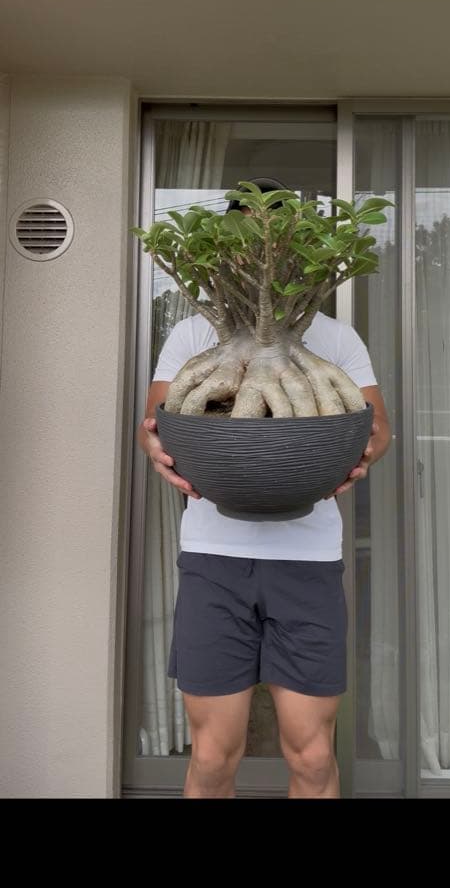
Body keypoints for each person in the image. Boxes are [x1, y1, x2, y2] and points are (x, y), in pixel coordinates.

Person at [137, 178, 392, 798]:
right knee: (212, 756)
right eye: (248, 231)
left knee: (313, 755)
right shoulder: (193, 336)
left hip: (307, 559)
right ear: (227, 245)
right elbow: (156, 422)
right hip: (213, 557)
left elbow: (378, 427)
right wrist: (155, 449)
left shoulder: (335, 338)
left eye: (276, 232)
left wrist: (359, 457)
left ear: (296, 244)